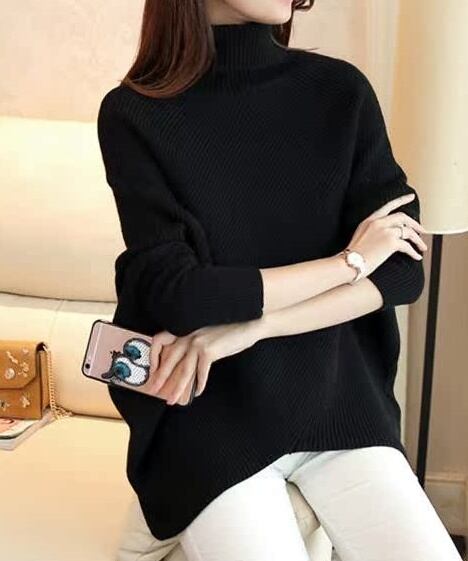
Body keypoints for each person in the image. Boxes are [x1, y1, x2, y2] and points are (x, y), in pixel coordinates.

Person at [96, 1, 463, 560]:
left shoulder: (340, 93)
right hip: (209, 419)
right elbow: (181, 294)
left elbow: (402, 270)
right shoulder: (134, 114)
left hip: (339, 404)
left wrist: (252, 328)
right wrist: (348, 263)